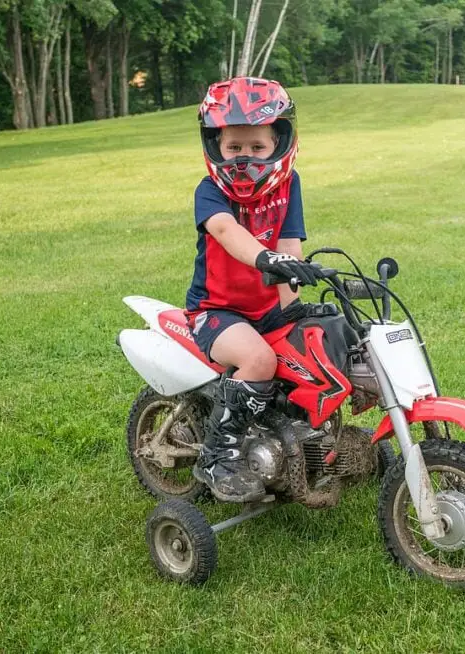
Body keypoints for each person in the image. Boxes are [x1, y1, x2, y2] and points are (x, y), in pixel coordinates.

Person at [185, 77, 327, 503]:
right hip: (218, 312)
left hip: (266, 310)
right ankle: (217, 455)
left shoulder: (289, 184)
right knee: (259, 359)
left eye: (256, 148)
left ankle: (307, 442)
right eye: (234, 149)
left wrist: (294, 310)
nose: (243, 159)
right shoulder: (209, 192)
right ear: (215, 147)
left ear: (280, 142)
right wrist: (264, 258)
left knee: (318, 350)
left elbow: (288, 245)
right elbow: (228, 232)